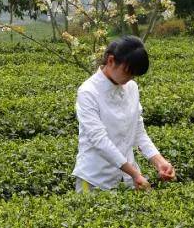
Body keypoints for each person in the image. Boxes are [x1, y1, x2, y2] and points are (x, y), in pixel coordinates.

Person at [72, 35, 176, 192]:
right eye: (127, 72)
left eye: (134, 75)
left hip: (127, 178)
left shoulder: (131, 88)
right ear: (111, 61)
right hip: (94, 179)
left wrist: (159, 161)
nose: (130, 78)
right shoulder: (88, 92)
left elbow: (138, 132)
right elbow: (99, 140)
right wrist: (135, 173)